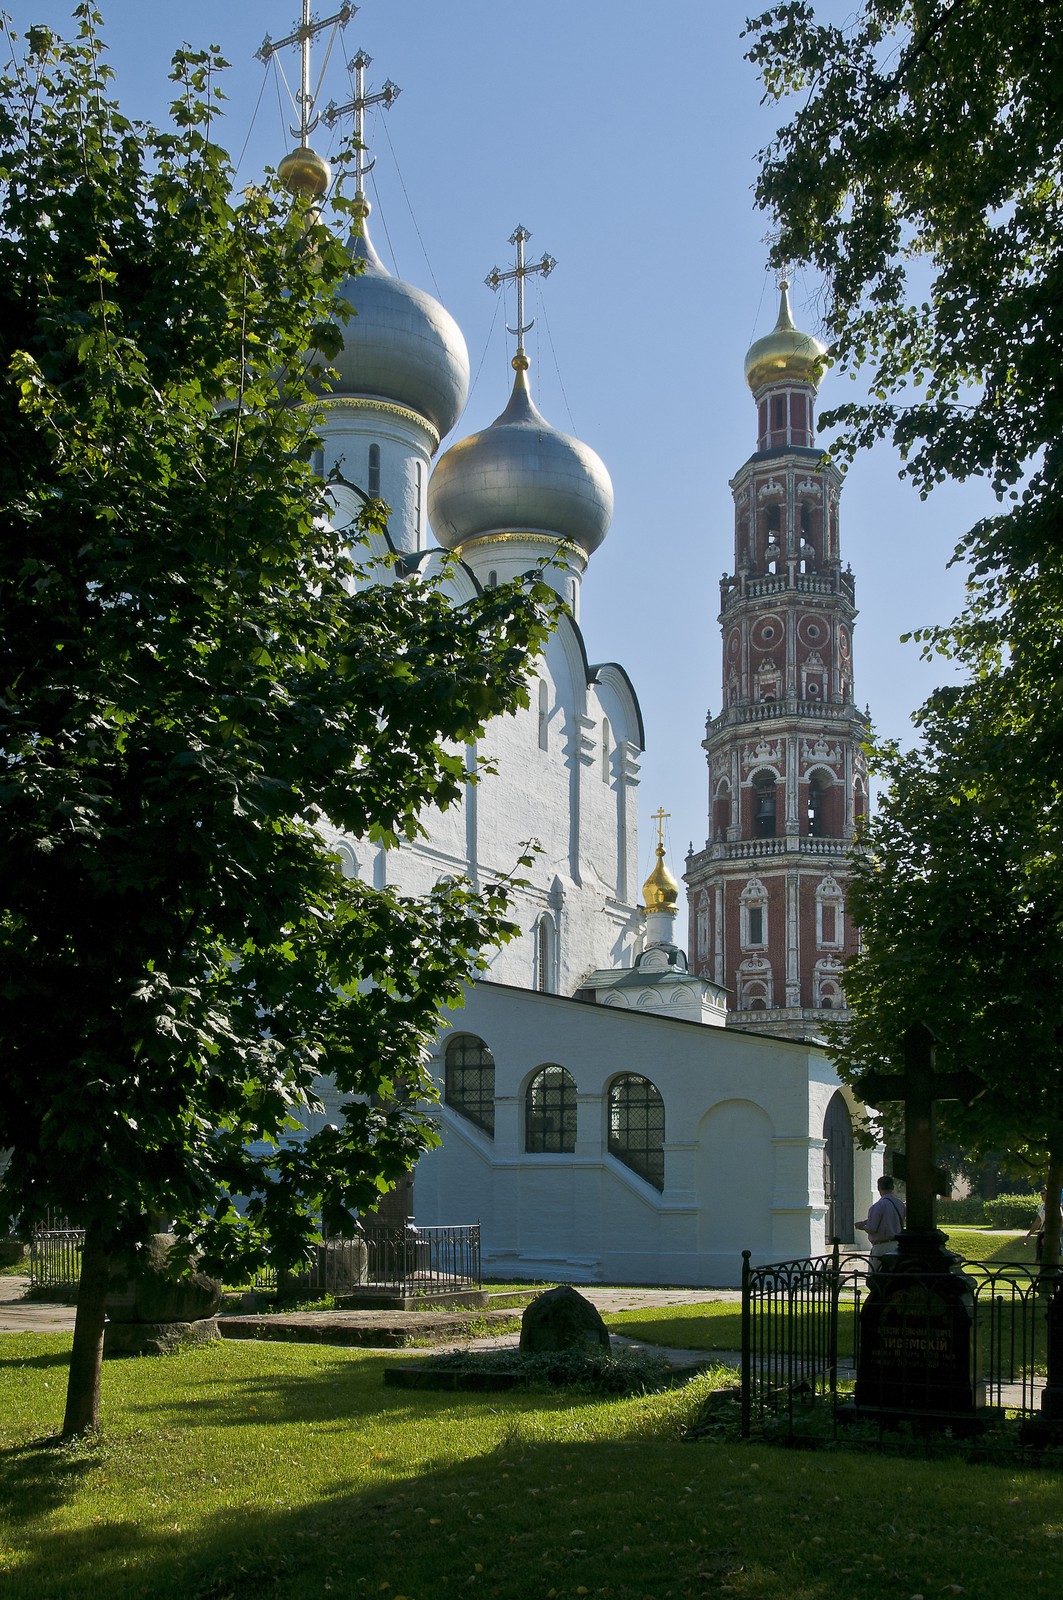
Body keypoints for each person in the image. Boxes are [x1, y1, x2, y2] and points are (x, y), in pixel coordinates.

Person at [856, 1175, 905, 1266]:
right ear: (892, 1187)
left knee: (877, 1275)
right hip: (897, 1245)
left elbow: (872, 1229)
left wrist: (862, 1226)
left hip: (881, 1246)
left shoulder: (877, 1206)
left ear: (879, 1188)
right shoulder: (900, 1205)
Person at [1023, 1189, 1048, 1264]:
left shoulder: (1056, 1207)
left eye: (1043, 1193)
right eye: (1041, 1193)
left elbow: (1060, 1221)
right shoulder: (1042, 1207)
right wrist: (1028, 1235)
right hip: (1043, 1235)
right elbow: (1036, 1223)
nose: (1041, 1195)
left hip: (1051, 1236)